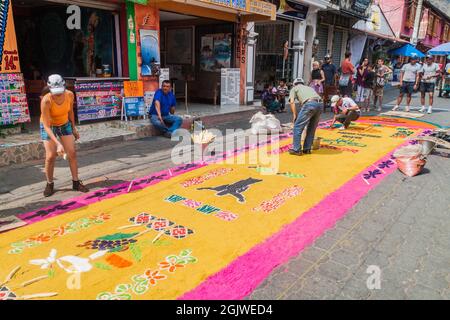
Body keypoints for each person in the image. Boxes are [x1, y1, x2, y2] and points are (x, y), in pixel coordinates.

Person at [40, 75, 89, 197]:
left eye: (60, 92)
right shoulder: (46, 100)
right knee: (50, 156)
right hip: (49, 126)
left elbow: (70, 111)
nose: (58, 95)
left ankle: (76, 182)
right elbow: (46, 126)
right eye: (55, 92)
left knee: (71, 153)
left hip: (64, 123)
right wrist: (58, 144)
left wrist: (73, 128)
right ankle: (50, 183)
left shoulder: (69, 95)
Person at [288, 78, 323, 156]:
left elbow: (292, 102)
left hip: (309, 104)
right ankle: (307, 149)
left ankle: (296, 149)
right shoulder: (309, 88)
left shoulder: (294, 89)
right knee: (311, 128)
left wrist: (295, 115)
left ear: (294, 84)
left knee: (297, 127)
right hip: (320, 104)